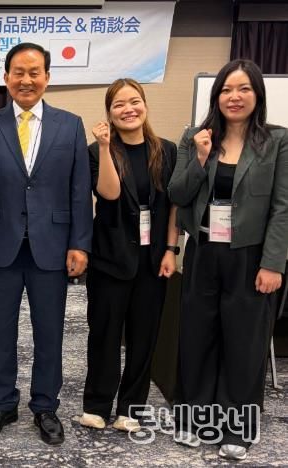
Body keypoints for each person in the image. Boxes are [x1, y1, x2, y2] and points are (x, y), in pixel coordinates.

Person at [0, 42, 92, 445]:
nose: (26, 79)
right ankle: (3, 403)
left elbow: (79, 189)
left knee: (49, 332)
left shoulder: (70, 125)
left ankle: (45, 405)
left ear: (47, 77)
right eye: (18, 72)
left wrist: (80, 243)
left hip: (51, 245)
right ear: (6, 78)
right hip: (0, 243)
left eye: (35, 72)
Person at [168, 59, 288, 461]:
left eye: (244, 89)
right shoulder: (195, 137)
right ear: (216, 96)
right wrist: (201, 158)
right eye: (226, 90)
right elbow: (178, 194)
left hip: (250, 256)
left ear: (257, 95)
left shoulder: (277, 141)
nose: (234, 97)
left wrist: (273, 263)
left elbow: (283, 207)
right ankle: (194, 418)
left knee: (245, 342)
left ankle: (238, 426)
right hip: (204, 251)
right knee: (197, 336)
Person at [80, 78, 178, 433]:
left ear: (145, 105)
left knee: (144, 336)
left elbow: (173, 205)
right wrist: (107, 147)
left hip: (153, 260)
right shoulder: (96, 151)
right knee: (104, 334)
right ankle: (97, 404)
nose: (128, 109)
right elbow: (109, 193)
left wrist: (171, 249)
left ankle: (131, 408)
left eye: (134, 101)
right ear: (110, 112)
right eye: (119, 104)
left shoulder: (166, 151)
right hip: (110, 258)